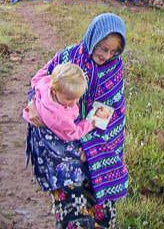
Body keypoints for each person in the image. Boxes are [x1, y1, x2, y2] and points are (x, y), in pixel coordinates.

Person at [25, 13, 128, 229]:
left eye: (113, 51)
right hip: (61, 141)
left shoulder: (114, 70)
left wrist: (88, 147)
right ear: (93, 38)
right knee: (71, 203)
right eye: (102, 48)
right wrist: (33, 103)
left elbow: (106, 114)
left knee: (100, 207)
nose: (106, 55)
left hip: (97, 142)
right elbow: (41, 80)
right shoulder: (69, 57)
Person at [23, 63, 108, 142]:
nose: (74, 103)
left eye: (77, 97)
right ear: (54, 91)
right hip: (52, 132)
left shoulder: (46, 83)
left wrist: (49, 64)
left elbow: (36, 79)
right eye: (69, 99)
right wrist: (90, 124)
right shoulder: (61, 118)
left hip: (37, 122)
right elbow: (71, 134)